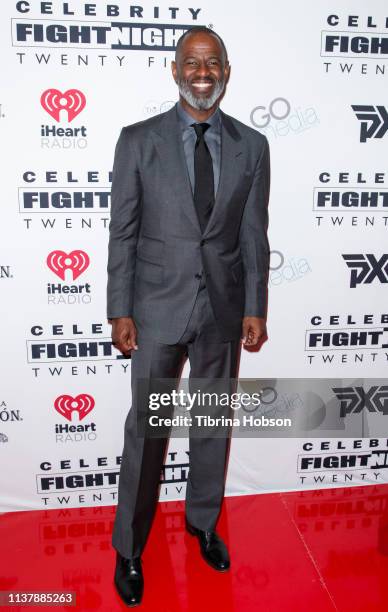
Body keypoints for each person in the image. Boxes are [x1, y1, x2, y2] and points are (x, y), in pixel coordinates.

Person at [106, 26, 270, 607]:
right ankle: (128, 547)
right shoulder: (138, 141)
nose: (203, 74)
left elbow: (253, 234)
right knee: (146, 431)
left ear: (226, 70)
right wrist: (119, 309)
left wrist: (255, 306)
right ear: (175, 70)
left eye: (213, 64)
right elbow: (122, 233)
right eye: (192, 64)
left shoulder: (252, 145)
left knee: (211, 426)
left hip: (222, 309)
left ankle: (202, 522)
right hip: (154, 308)